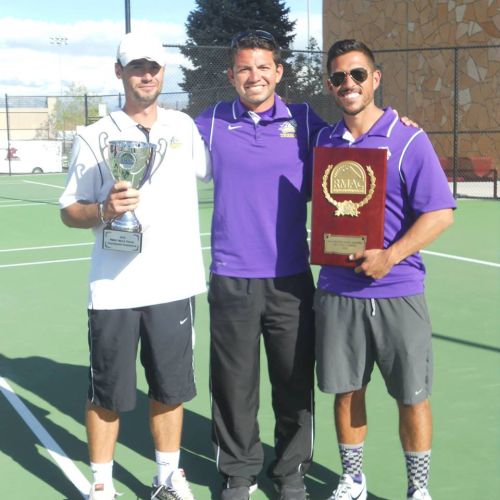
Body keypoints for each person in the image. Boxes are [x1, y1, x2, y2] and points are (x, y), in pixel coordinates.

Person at [59, 32, 208, 500]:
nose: (147, 74)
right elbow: (68, 210)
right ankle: (102, 482)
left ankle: (167, 474)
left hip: (173, 284)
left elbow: (230, 161)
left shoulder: (184, 127)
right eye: (137, 66)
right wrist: (103, 209)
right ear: (118, 71)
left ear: (164, 73)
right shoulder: (93, 136)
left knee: (170, 387)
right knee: (108, 393)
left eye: (155, 67)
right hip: (113, 289)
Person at [313, 39, 456, 500]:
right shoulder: (322, 140)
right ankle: (353, 479)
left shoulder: (409, 138)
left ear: (375, 79)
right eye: (338, 77)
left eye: (357, 74)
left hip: (398, 289)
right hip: (338, 290)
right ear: (329, 86)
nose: (348, 84)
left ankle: (418, 490)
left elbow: (439, 213)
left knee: (411, 395)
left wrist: (389, 256)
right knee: (346, 390)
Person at [195, 30, 326, 500]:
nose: (255, 76)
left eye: (263, 67)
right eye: (245, 68)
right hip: (231, 278)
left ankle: (290, 473)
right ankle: (238, 473)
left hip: (291, 279)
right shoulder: (208, 122)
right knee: (233, 386)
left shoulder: (308, 121)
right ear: (231, 75)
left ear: (279, 72)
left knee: (293, 382)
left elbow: (356, 152)